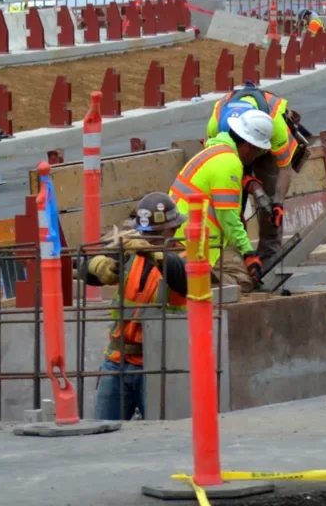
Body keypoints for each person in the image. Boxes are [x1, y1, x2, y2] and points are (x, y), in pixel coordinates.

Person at [81, 193, 189, 421]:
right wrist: (99, 264)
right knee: (102, 430)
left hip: (159, 364)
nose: (150, 238)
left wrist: (153, 252)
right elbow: (83, 268)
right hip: (117, 361)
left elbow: (181, 277)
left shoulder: (184, 257)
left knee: (161, 433)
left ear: (173, 230)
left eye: (158, 234)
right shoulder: (130, 252)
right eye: (147, 234)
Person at [205, 82, 307, 264]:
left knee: (270, 194)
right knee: (230, 198)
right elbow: (214, 162)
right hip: (232, 146)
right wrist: (243, 180)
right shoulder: (217, 125)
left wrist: (278, 203)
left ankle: (269, 257)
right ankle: (235, 256)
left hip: (268, 145)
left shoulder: (275, 127)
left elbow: (285, 168)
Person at [176, 109, 275, 292]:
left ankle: (194, 275)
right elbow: (227, 216)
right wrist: (248, 252)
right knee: (243, 282)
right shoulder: (229, 163)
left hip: (185, 234)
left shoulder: (215, 150)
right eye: (258, 151)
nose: (256, 156)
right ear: (248, 145)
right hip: (194, 242)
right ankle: (196, 277)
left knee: (239, 270)